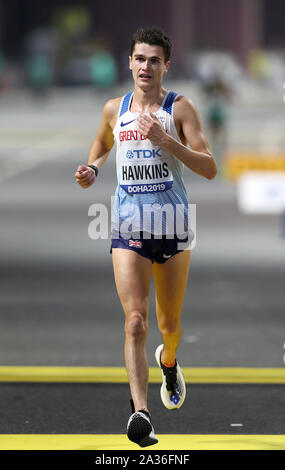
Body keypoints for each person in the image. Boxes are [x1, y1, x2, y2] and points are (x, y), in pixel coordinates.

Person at [75, 27, 217, 447]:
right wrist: (93, 169)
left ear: (166, 66)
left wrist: (165, 140)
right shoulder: (113, 109)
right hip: (127, 224)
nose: (145, 66)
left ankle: (169, 361)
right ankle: (141, 415)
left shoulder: (181, 109)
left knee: (168, 326)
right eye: (140, 58)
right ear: (130, 62)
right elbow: (102, 143)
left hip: (172, 225)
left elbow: (210, 168)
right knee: (135, 321)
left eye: (155, 60)